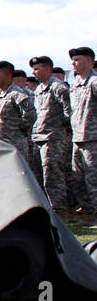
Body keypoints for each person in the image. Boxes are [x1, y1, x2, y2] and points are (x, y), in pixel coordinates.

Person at [30, 56, 72, 210]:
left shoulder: (58, 87)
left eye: (37, 69)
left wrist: (59, 127)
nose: (34, 73)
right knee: (40, 174)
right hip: (38, 136)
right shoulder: (40, 89)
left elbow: (69, 111)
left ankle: (59, 208)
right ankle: (47, 208)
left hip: (52, 137)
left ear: (48, 69)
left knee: (52, 174)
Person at [0, 61, 36, 159]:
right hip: (0, 145)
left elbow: (30, 114)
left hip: (14, 146)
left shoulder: (17, 94)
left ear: (8, 75)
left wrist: (20, 130)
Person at [71, 47, 97, 216]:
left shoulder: (94, 82)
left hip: (92, 138)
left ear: (89, 61)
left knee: (93, 180)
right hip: (77, 137)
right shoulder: (75, 84)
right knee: (77, 179)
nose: (73, 63)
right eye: (72, 60)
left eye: (77, 59)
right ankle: (88, 213)